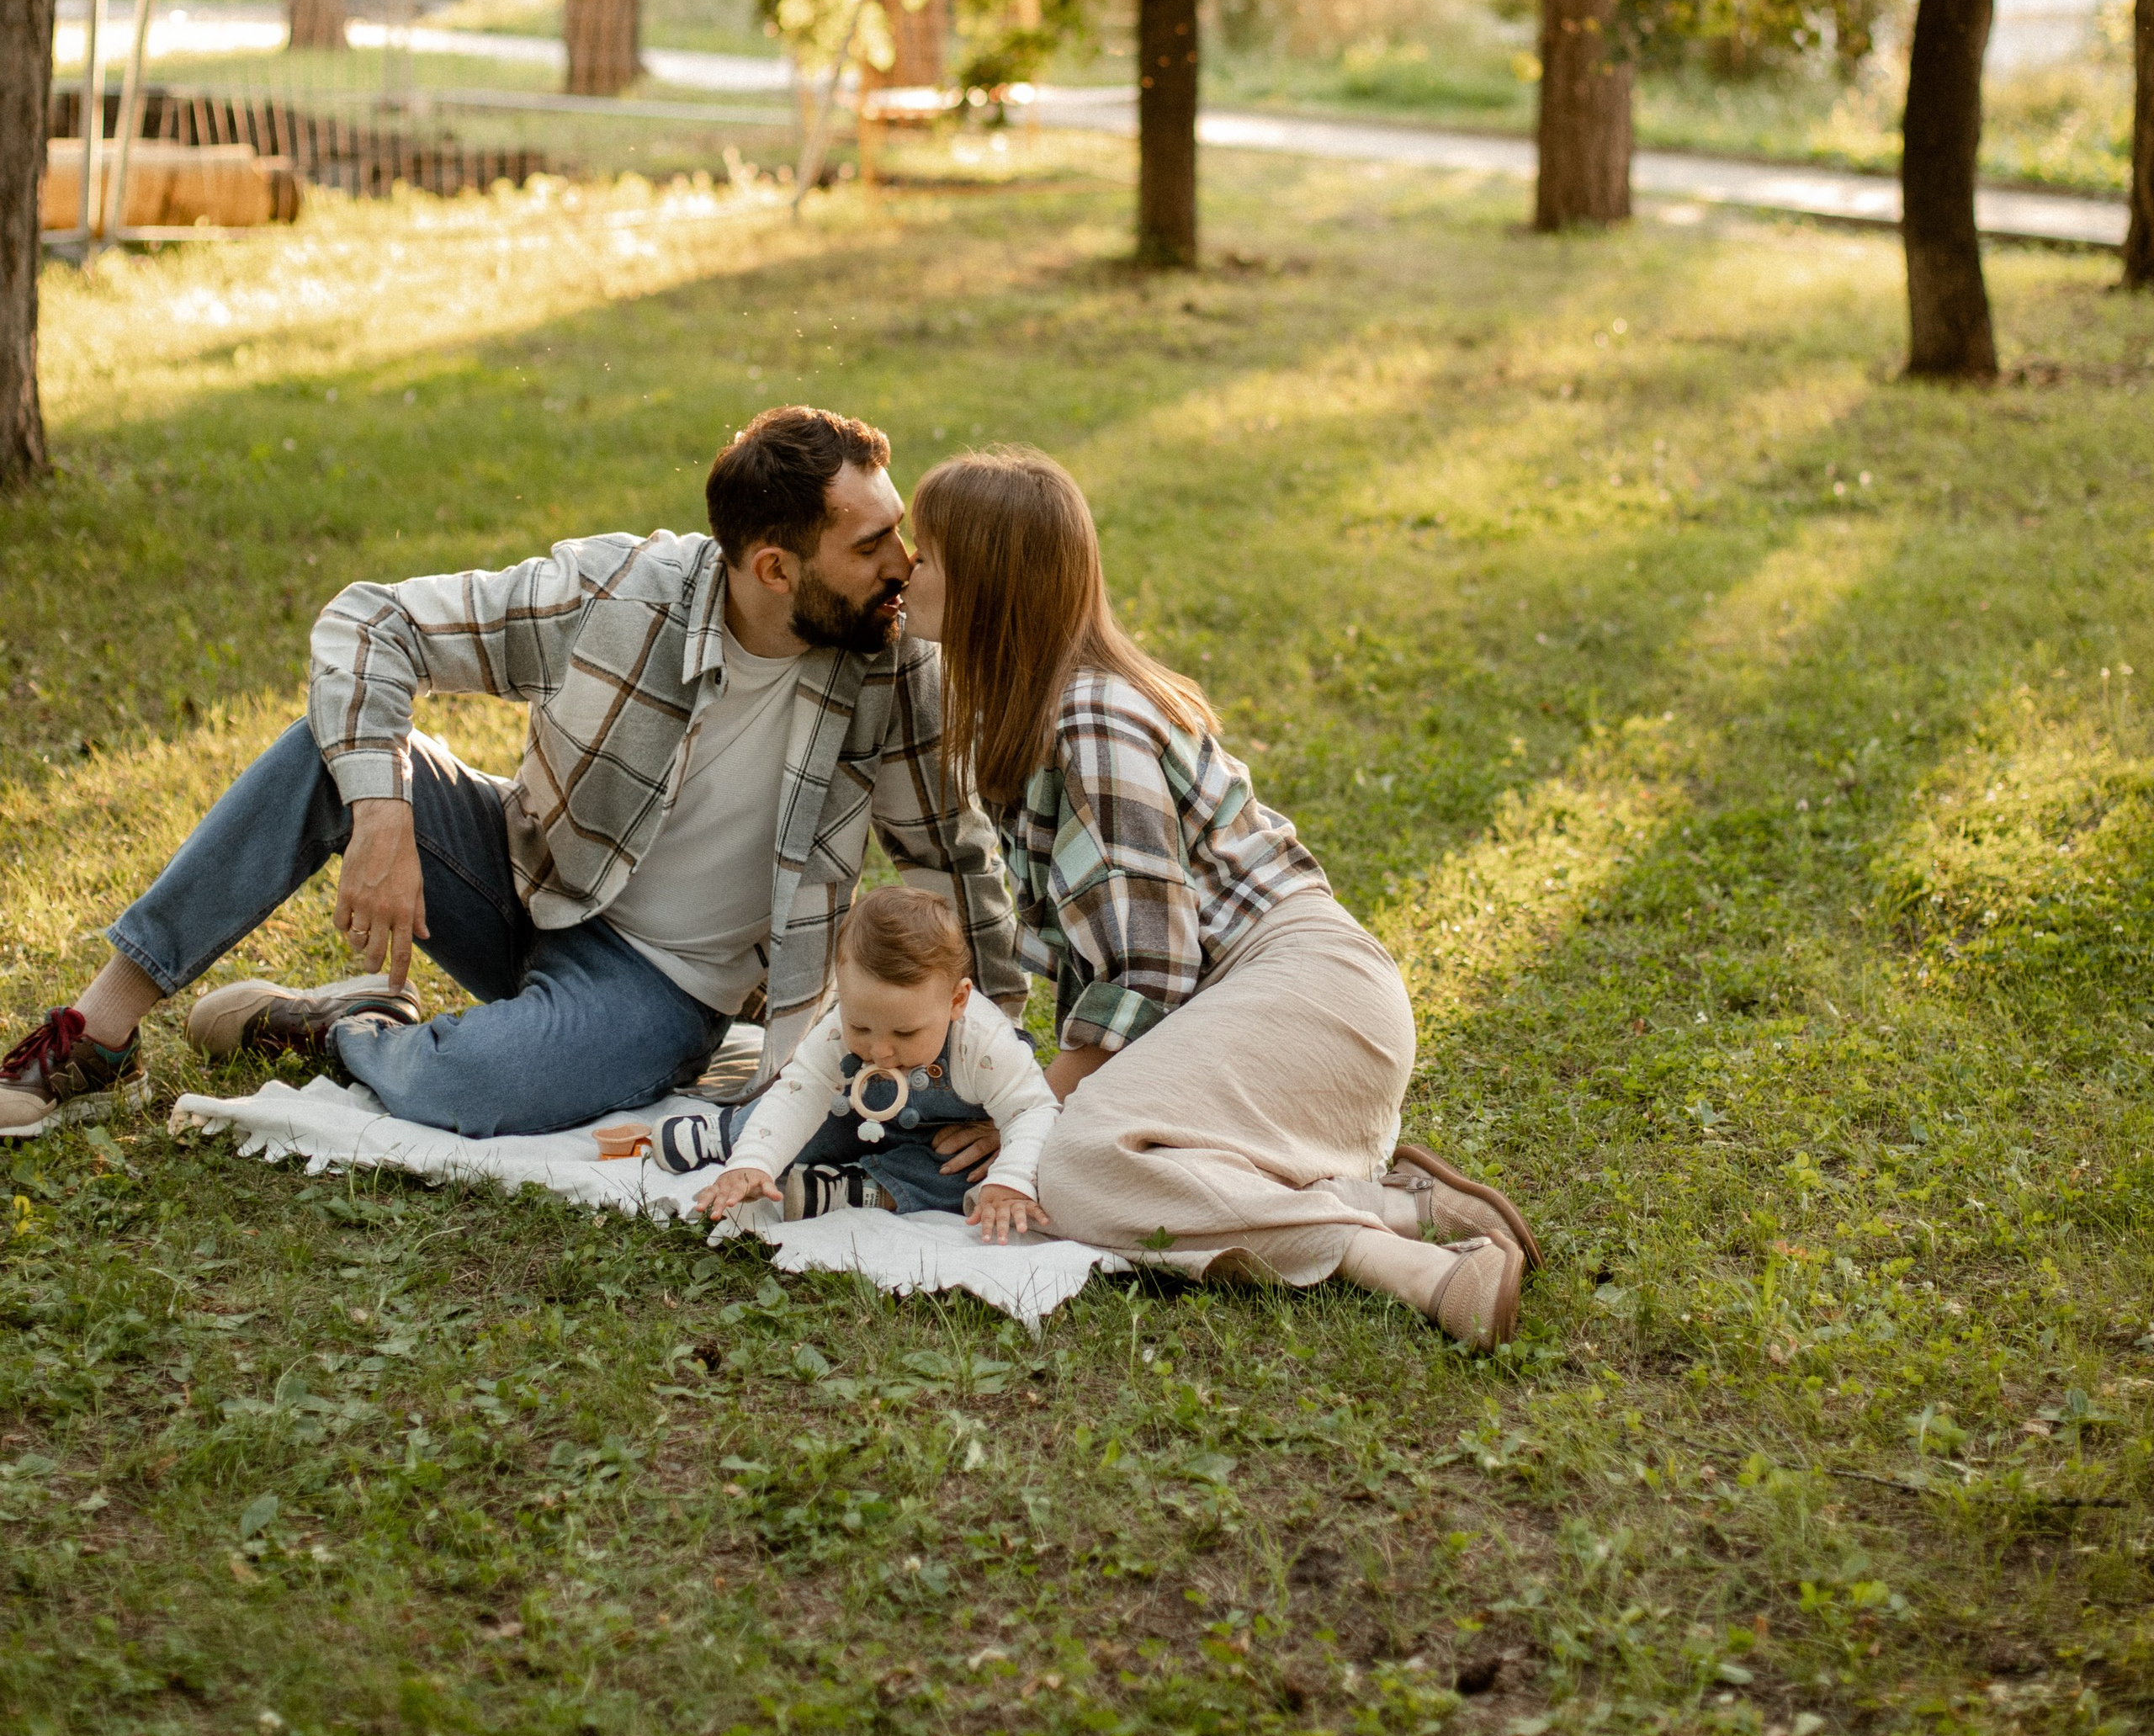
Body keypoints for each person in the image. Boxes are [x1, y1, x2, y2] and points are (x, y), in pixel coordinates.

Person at [0, 408, 1023, 1144]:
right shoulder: (622, 593)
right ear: (773, 568)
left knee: (481, 1085)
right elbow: (373, 622)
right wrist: (384, 818)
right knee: (331, 746)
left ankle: (343, 1025)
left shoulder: (894, 664)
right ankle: (95, 1036)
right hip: (527, 873)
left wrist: (992, 1064)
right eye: (874, 542)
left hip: (659, 985)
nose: (906, 563)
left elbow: (948, 860)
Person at [900, 446, 1541, 1348]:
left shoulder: (1089, 716)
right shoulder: (1043, 712)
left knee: (1075, 1167)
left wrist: (1032, 1113)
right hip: (1279, 1007)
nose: (903, 565)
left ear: (984, 586)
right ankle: (1402, 1205)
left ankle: (1398, 1246)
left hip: (1308, 993)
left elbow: (1149, 970)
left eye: (923, 552)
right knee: (1082, 1147)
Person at [666, 884, 1053, 1240]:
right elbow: (801, 1092)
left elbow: (1031, 1111)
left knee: (967, 1173)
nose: (880, 1050)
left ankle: (861, 1189)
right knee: (808, 1120)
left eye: (904, 1034)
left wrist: (1011, 1181)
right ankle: (732, 1131)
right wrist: (753, 1160)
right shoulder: (838, 1029)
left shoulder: (984, 1045)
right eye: (861, 1026)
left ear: (956, 1001)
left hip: (941, 1137)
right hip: (858, 1116)